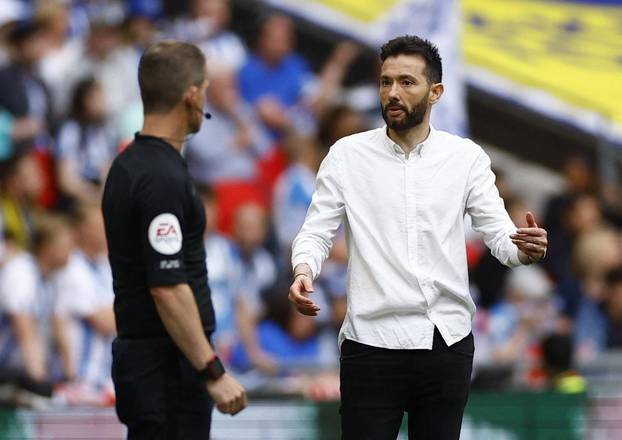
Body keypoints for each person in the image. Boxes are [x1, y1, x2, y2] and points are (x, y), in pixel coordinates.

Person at [288, 35, 548, 440]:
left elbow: (499, 236)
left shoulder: (466, 158)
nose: (392, 92)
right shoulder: (345, 155)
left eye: (407, 82)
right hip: (370, 345)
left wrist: (523, 249)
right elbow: (316, 231)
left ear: (435, 92)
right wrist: (304, 269)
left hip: (446, 343)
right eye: (385, 81)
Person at [102, 40, 246, 439]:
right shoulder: (161, 177)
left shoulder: (128, 164)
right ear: (192, 95)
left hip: (151, 362)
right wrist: (211, 369)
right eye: (205, 88)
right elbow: (167, 286)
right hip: (168, 367)